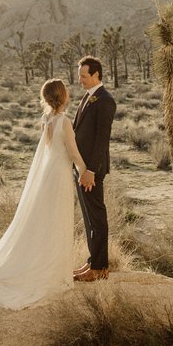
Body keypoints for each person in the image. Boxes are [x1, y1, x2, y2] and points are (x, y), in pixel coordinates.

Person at [0, 77, 91, 309]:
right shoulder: (64, 121)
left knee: (46, 222)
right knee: (58, 221)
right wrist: (84, 170)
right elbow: (72, 152)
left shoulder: (46, 118)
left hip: (48, 175)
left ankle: (46, 266)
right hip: (59, 177)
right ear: (63, 95)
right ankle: (54, 273)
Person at [72, 55, 117, 282]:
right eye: (79, 75)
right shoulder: (88, 97)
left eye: (83, 76)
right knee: (89, 217)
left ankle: (100, 267)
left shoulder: (105, 100)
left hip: (91, 170)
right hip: (81, 168)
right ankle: (92, 261)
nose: (80, 79)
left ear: (96, 74)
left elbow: (102, 139)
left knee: (97, 217)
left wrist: (90, 169)